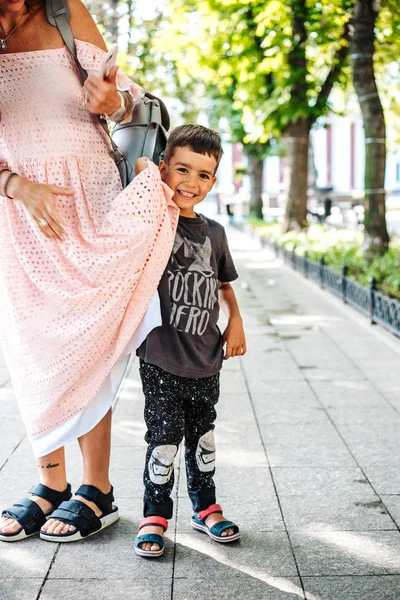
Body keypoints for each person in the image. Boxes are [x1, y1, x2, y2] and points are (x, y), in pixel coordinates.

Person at [0, 0, 178, 542]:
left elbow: (134, 104)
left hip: (93, 199)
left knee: (89, 340)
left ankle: (96, 490)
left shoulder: (62, 11)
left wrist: (116, 99)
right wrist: (15, 185)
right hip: (23, 214)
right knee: (34, 345)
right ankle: (50, 485)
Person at [133, 125, 247, 558]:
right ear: (164, 168)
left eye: (203, 175)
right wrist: (152, 174)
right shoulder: (154, 222)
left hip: (207, 357)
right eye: (182, 169)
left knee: (204, 438)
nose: (191, 183)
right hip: (161, 356)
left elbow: (224, 284)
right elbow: (138, 172)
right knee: (163, 438)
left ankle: (205, 509)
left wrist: (236, 321)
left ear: (214, 182)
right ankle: (154, 516)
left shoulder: (215, 232)